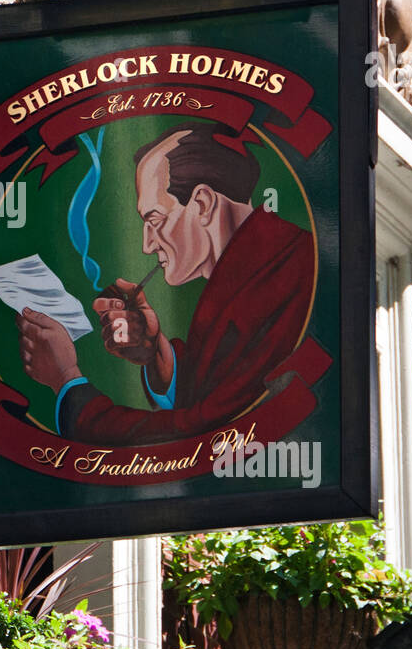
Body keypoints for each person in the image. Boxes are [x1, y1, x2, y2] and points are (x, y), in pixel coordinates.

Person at [17, 121, 314, 444]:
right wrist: (157, 353)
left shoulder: (285, 275)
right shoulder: (257, 268)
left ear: (202, 204)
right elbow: (220, 383)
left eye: (155, 220)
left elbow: (205, 435)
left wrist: (66, 380)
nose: (147, 244)